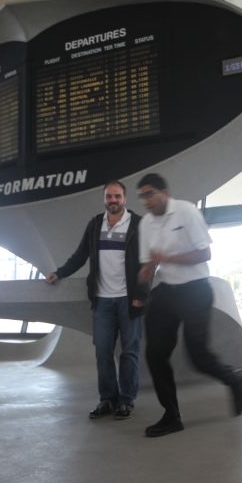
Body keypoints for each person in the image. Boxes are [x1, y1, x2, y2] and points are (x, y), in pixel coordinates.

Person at [137, 173, 242, 438]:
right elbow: (150, 260)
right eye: (142, 197)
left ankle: (233, 379)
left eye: (150, 194)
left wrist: (168, 258)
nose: (146, 201)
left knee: (198, 356)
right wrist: (147, 271)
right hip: (166, 292)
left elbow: (204, 253)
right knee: (155, 354)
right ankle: (172, 416)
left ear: (164, 192)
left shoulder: (186, 211)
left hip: (196, 290)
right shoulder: (146, 224)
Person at [46, 180, 148, 420]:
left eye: (117, 196)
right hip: (102, 301)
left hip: (128, 300)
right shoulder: (95, 224)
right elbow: (80, 255)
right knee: (102, 351)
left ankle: (126, 401)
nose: (113, 200)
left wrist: (141, 295)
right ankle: (107, 399)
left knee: (129, 352)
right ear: (104, 199)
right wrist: (59, 272)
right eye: (109, 196)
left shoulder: (138, 224)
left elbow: (148, 263)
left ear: (125, 198)